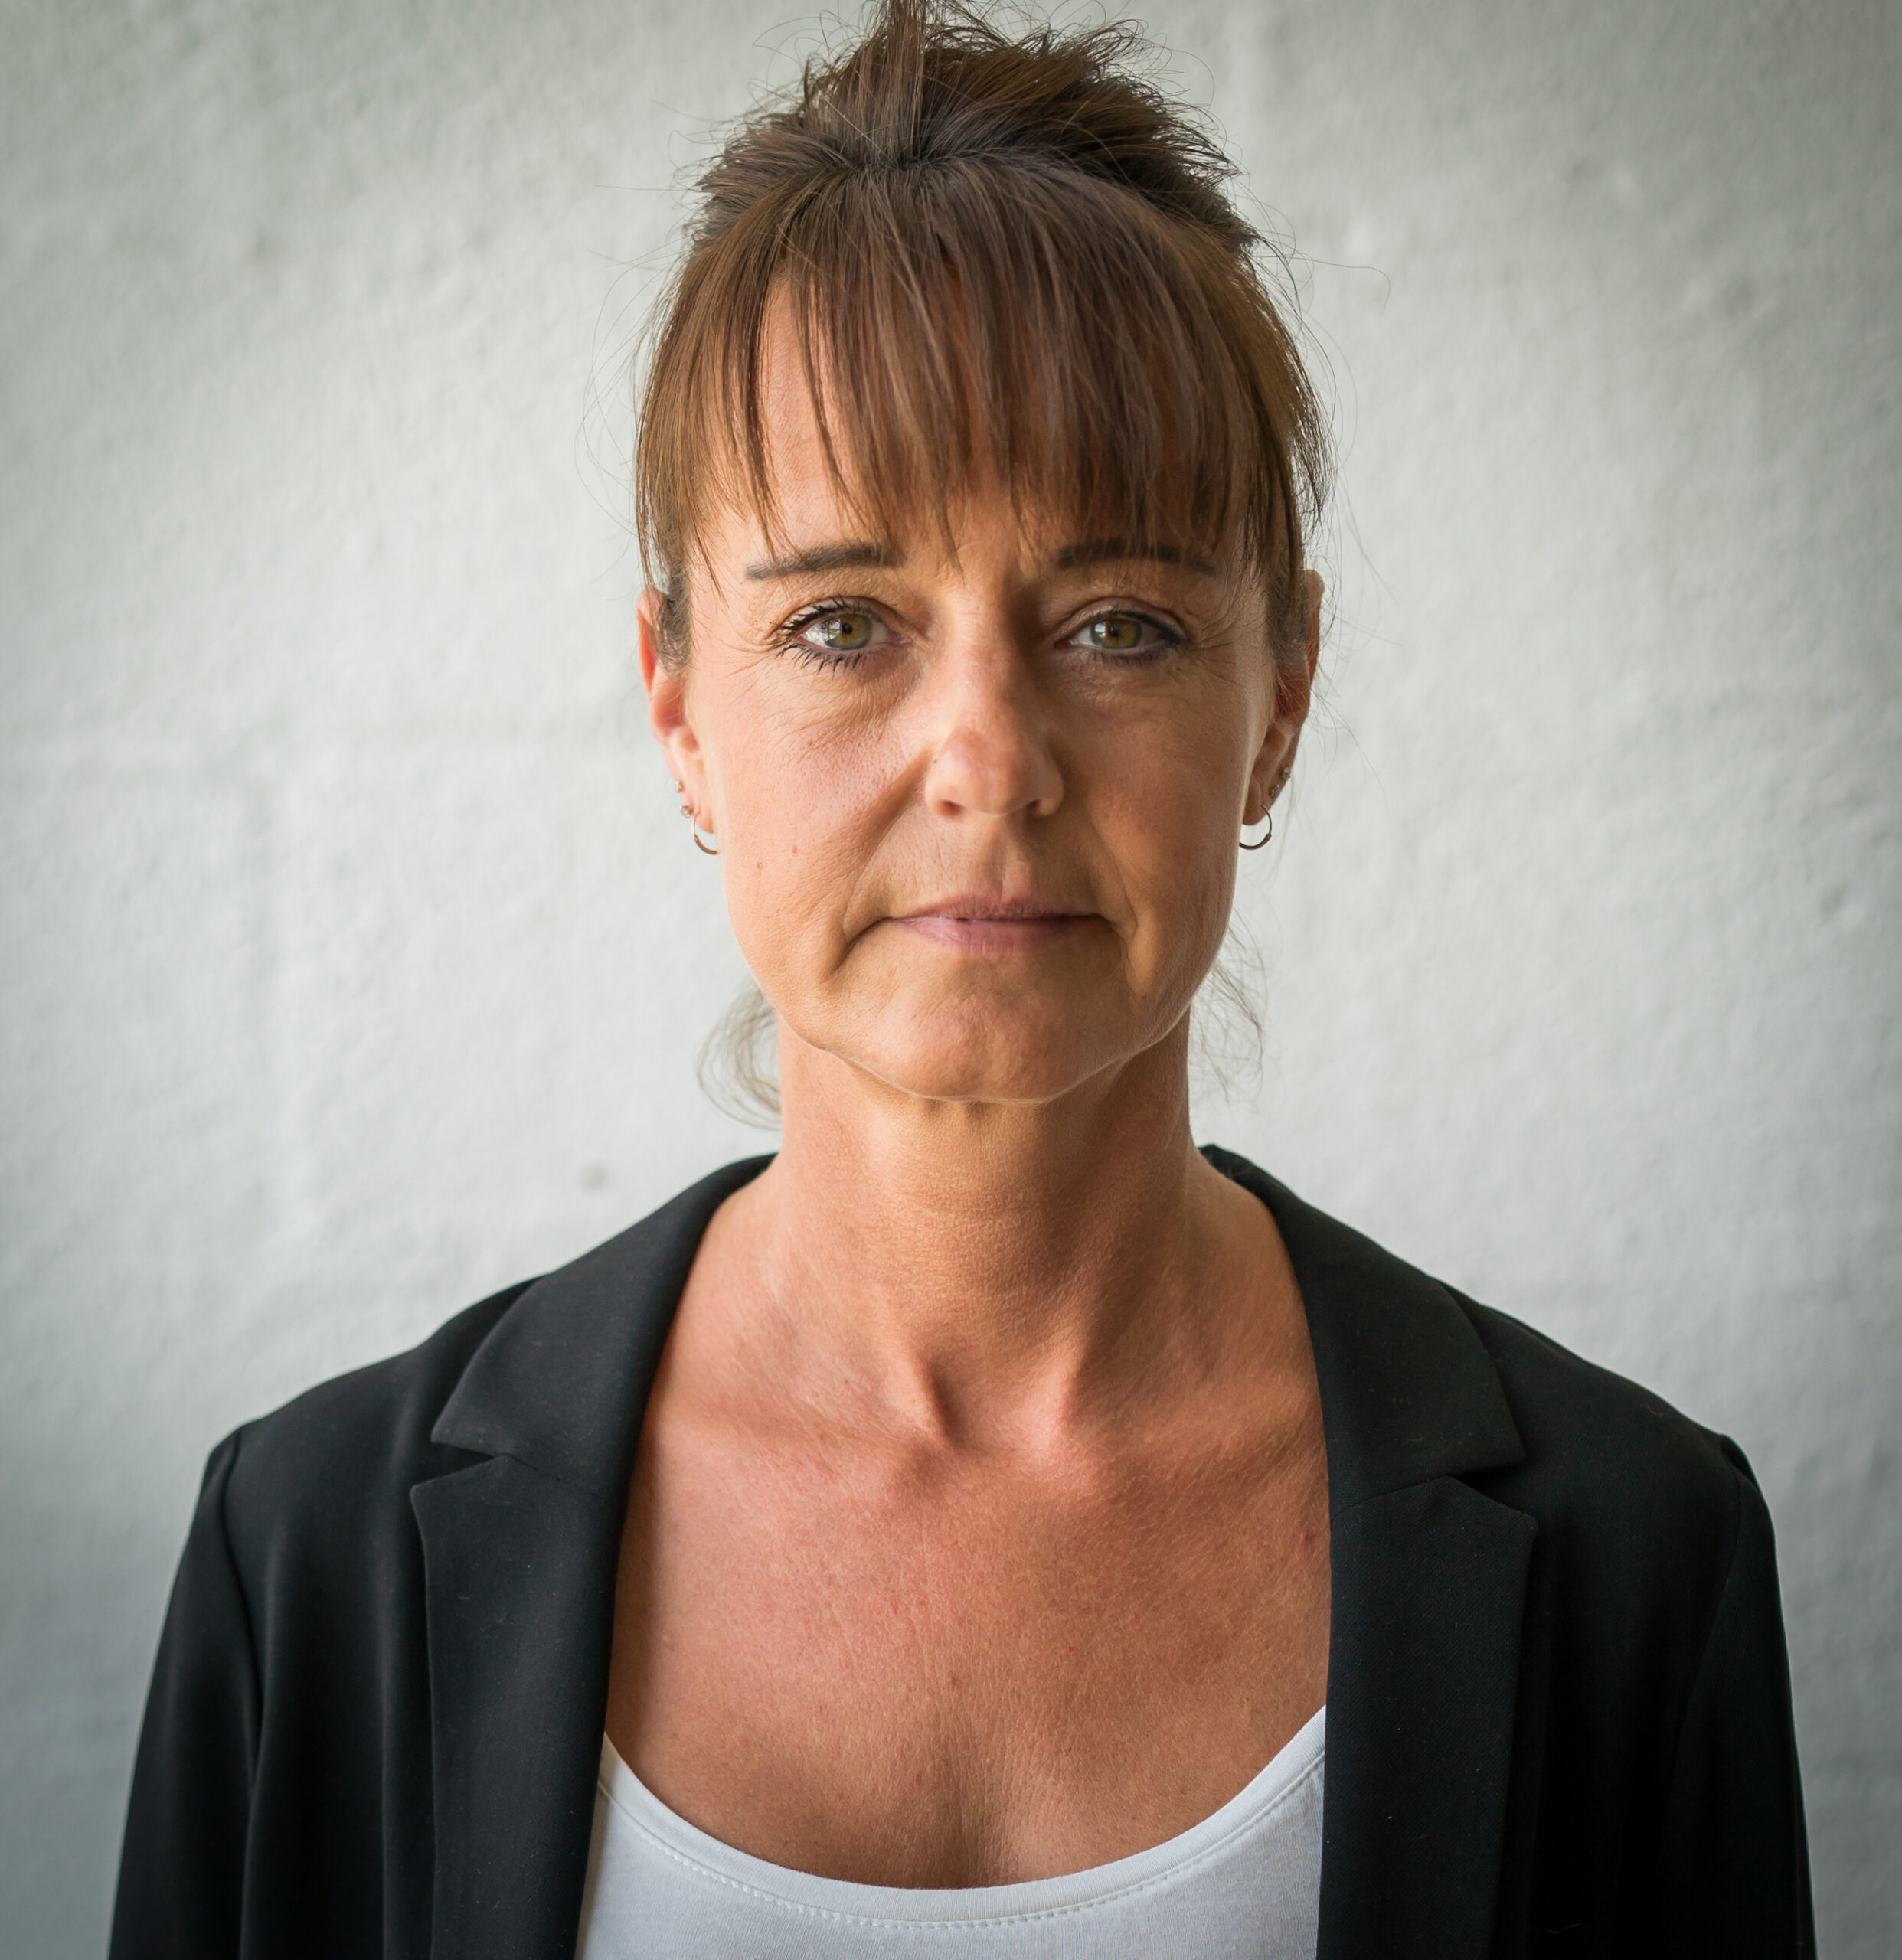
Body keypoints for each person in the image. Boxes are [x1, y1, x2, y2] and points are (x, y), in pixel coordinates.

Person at [108, 4, 1813, 1955]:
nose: (988, 755)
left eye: (1121, 621)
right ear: (678, 707)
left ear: (1284, 697)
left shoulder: (1632, 1562)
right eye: (844, 620)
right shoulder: (309, 1558)